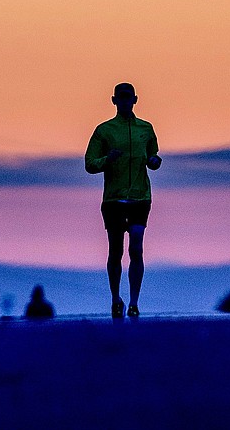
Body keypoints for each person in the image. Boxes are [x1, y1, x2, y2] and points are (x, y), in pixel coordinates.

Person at [84, 82, 162, 318]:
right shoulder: (104, 131)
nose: (125, 102)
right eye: (121, 98)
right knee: (115, 251)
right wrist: (108, 159)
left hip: (140, 197)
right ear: (114, 100)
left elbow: (153, 155)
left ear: (135, 100)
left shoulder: (146, 129)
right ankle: (116, 298)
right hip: (114, 200)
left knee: (136, 248)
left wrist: (154, 162)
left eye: (129, 98)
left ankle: (134, 302)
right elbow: (90, 164)